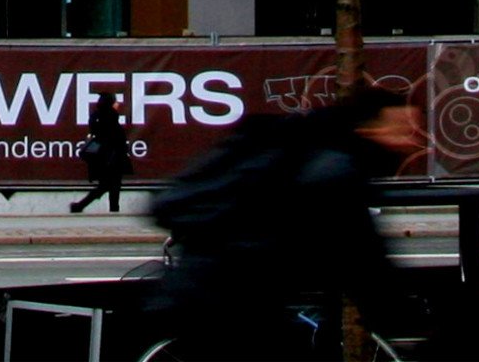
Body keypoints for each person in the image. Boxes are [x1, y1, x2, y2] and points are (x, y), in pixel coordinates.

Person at [146, 82, 423, 356]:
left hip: (214, 292)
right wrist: (404, 323)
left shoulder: (315, 152)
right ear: (369, 128)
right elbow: (363, 259)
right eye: (401, 130)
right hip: (231, 300)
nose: (411, 141)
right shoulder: (335, 169)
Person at [73, 97, 133, 215]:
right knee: (108, 185)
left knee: (112, 185)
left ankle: (112, 209)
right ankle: (80, 206)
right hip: (111, 158)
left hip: (108, 158)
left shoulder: (100, 117)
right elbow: (113, 139)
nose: (118, 104)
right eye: (115, 102)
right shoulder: (109, 119)